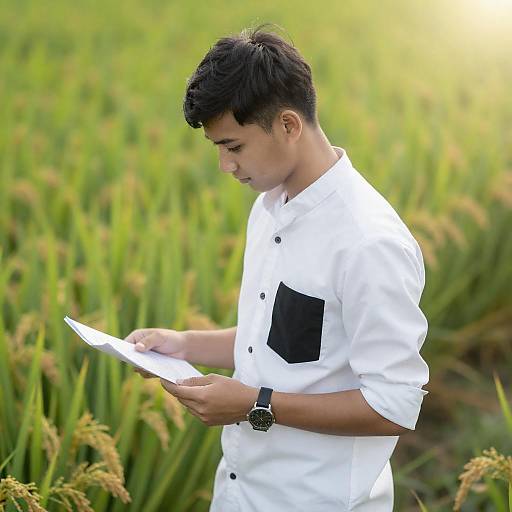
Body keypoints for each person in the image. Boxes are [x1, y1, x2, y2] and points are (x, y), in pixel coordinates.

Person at [124, 23, 430, 512]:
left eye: (234, 146)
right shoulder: (269, 207)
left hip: (320, 501)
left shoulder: (369, 243)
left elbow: (392, 406)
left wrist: (254, 404)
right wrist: (183, 343)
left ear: (288, 125)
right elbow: (284, 342)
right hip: (241, 491)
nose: (225, 166)